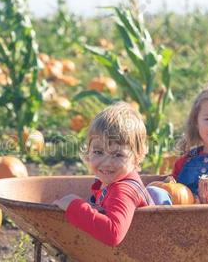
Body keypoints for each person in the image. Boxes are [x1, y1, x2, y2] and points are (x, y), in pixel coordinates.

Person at [52, 101, 153, 247]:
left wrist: (75, 206)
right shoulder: (111, 182)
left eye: (117, 155)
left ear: (137, 157)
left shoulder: (123, 190)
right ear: (89, 151)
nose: (106, 162)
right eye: (98, 152)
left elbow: (113, 233)